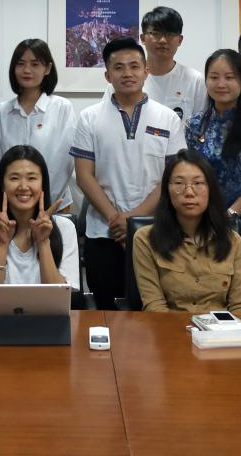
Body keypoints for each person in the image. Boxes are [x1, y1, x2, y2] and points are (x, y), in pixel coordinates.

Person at [72, 37, 185, 310]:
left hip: (156, 231)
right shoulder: (89, 117)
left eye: (134, 66)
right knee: (106, 312)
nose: (127, 73)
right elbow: (84, 176)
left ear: (146, 71)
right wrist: (116, 219)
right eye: (119, 67)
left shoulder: (168, 118)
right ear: (107, 75)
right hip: (103, 233)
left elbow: (173, 177)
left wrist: (133, 221)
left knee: (154, 311)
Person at [185, 49, 241, 300]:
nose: (221, 84)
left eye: (229, 77)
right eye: (214, 77)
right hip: (201, 225)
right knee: (204, 297)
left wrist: (229, 216)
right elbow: (187, 175)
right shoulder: (195, 125)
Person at [132, 150, 241, 314]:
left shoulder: (233, 241)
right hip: (169, 327)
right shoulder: (146, 239)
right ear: (167, 190)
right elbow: (154, 306)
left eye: (198, 183)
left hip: (222, 329)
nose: (189, 192)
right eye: (179, 183)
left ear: (210, 190)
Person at [0, 39, 77, 212]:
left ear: (47, 68)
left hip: (53, 206)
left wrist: (43, 202)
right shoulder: (1, 112)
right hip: (10, 207)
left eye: (35, 64)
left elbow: (64, 162)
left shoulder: (62, 108)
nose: (27, 70)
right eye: (21, 64)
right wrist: (1, 201)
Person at [0, 145, 79, 287]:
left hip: (46, 304)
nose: (23, 186)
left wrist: (43, 242)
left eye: (31, 178)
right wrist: (1, 244)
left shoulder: (65, 228)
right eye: (14, 178)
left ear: (43, 184)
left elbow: (60, 296)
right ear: (2, 185)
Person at [112, 6, 207, 122]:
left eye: (170, 34)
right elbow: (108, 118)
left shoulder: (195, 80)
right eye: (156, 33)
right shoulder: (124, 78)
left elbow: (202, 125)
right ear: (142, 38)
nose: (163, 40)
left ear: (180, 40)